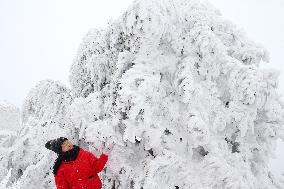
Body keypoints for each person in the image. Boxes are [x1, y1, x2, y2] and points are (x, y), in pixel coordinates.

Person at [45, 137, 113, 189]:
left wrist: (105, 155)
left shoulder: (84, 154)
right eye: (64, 144)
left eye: (68, 142)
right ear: (60, 150)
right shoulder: (60, 169)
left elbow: (97, 168)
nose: (68, 144)